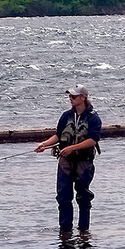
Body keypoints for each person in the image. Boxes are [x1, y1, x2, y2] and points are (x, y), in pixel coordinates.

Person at [35, 85, 101, 233]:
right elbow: (58, 135)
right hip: (65, 162)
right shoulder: (66, 116)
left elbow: (92, 140)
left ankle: (83, 231)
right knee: (63, 197)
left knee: (83, 197)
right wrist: (44, 144)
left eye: (74, 96)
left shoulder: (93, 118)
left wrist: (72, 148)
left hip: (84, 162)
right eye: (70, 96)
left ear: (83, 98)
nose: (70, 99)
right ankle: (65, 231)